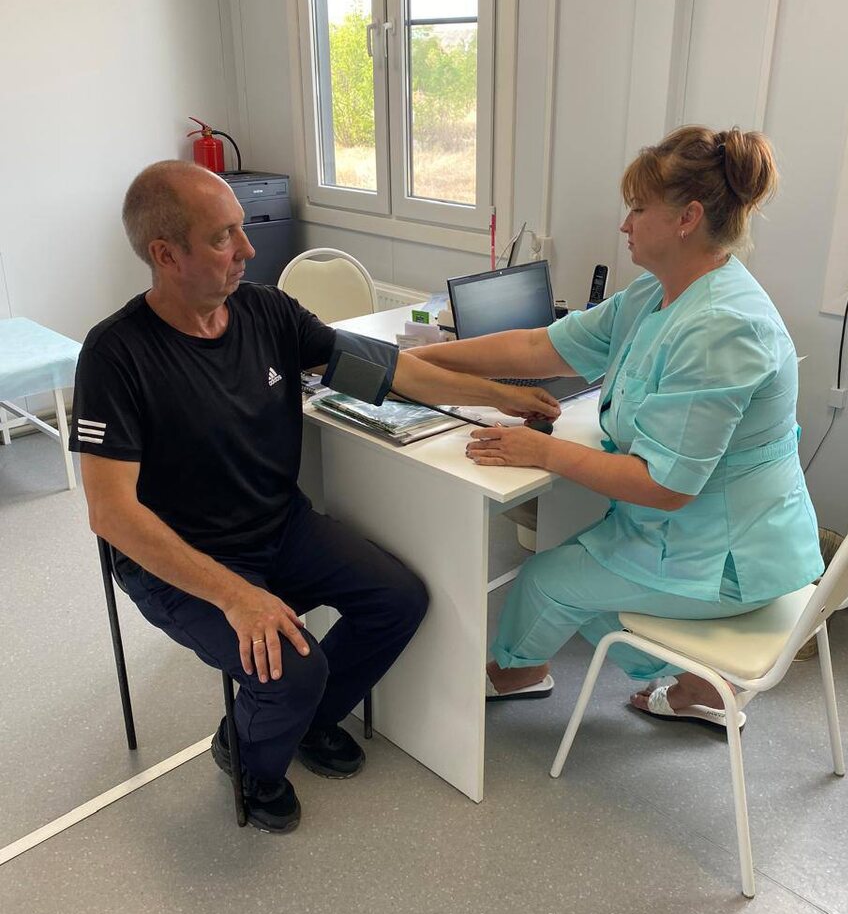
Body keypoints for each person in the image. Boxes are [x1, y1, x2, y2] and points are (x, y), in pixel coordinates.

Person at [70, 161, 559, 833]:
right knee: (289, 670)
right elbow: (111, 513)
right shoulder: (116, 355)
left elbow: (390, 373)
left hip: (278, 526)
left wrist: (499, 397)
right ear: (166, 255)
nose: (247, 249)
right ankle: (250, 760)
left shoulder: (268, 313)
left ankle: (310, 720)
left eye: (242, 229)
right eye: (223, 237)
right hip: (180, 560)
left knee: (398, 600)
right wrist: (237, 596)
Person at [409, 126, 824, 726]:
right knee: (587, 568)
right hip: (707, 530)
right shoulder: (660, 293)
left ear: (687, 218)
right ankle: (699, 685)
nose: (625, 224)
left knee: (548, 580)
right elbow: (539, 348)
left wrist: (542, 452)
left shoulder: (722, 327)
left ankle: (522, 673)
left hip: (730, 557)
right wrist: (416, 361)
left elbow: (665, 486)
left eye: (638, 209)